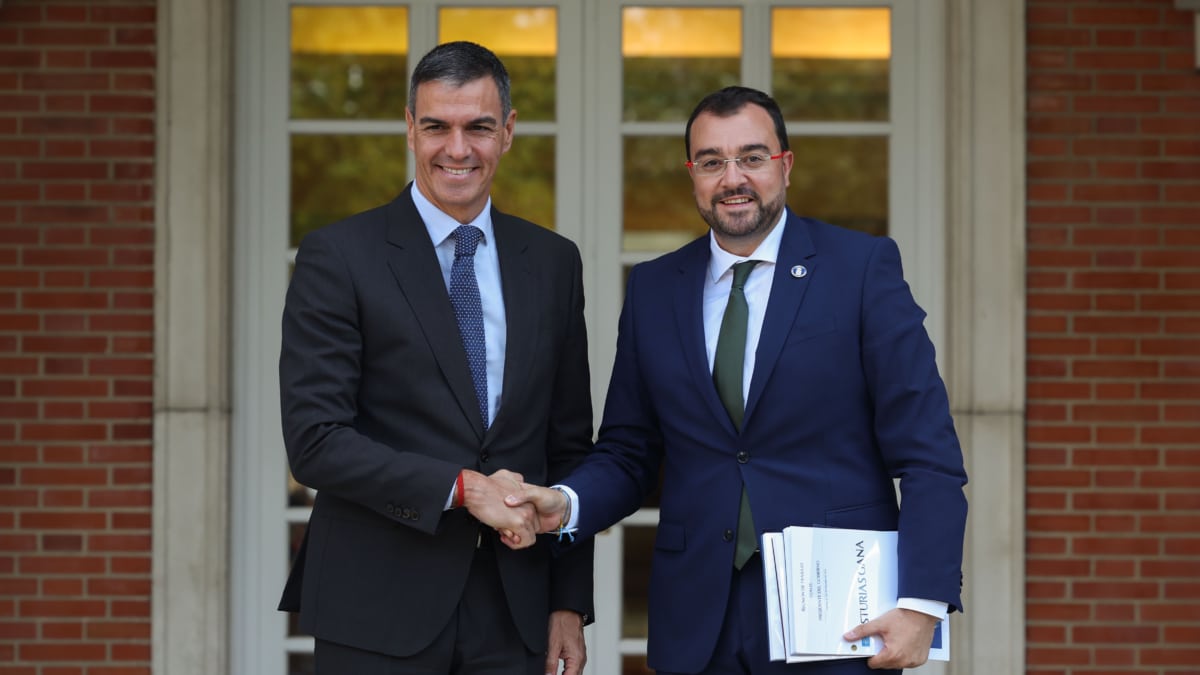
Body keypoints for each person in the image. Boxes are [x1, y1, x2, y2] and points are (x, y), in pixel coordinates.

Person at [505, 86, 968, 674]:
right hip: (696, 621)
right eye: (712, 161)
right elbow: (629, 451)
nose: (733, 178)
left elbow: (928, 454)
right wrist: (565, 504)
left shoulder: (861, 270)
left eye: (752, 157)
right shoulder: (654, 289)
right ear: (692, 174)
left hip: (838, 624)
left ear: (786, 165)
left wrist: (921, 603)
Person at [277, 41, 594, 675]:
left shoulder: (553, 263)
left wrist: (567, 602)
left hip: (515, 610)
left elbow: (569, 449)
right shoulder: (339, 256)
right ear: (410, 129)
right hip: (376, 604)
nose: (457, 148)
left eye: (478, 126)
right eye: (436, 127)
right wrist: (462, 489)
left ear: (506, 132)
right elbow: (315, 441)